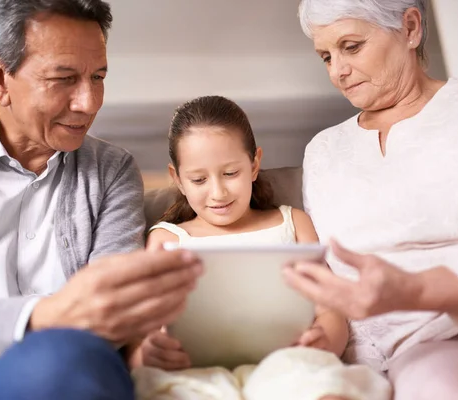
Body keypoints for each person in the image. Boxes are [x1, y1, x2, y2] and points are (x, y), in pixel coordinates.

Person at [0, 1, 202, 399]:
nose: (89, 103)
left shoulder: (112, 170)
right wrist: (47, 316)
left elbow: (111, 315)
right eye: (64, 78)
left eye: (98, 76)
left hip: (67, 372)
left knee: (60, 367)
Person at [282, 0, 458, 399]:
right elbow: (328, 273)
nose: (337, 71)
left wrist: (411, 289)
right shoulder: (323, 150)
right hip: (355, 360)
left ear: (410, 28)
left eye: (351, 46)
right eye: (326, 56)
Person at [129, 96, 391, 400]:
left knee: (322, 388)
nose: (218, 192)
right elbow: (139, 333)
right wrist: (149, 353)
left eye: (230, 173)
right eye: (199, 179)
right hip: (197, 373)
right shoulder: (167, 240)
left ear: (254, 164)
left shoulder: (293, 223)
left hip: (289, 365)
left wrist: (325, 340)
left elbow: (329, 308)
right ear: (178, 179)